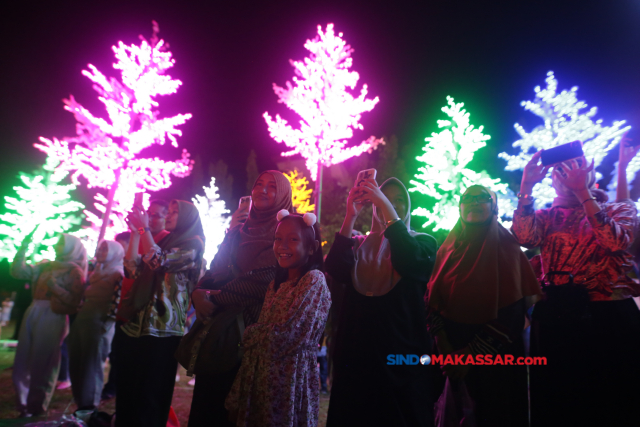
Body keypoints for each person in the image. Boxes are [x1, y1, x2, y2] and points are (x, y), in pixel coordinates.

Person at [512, 151, 640, 427]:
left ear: (591, 172)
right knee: (560, 398)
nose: (567, 176)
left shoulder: (621, 209)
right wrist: (526, 187)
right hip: (558, 314)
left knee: (612, 398)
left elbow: (615, 241)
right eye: (560, 172)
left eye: (576, 169)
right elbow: (524, 237)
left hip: (608, 316)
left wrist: (583, 192)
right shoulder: (547, 216)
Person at [325, 177, 438, 427]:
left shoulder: (423, 242)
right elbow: (334, 268)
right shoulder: (360, 246)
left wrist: (386, 208)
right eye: (386, 199)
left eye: (399, 200)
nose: (392, 204)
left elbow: (409, 260)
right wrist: (350, 216)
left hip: (400, 357)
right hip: (358, 355)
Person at [426, 185, 541, 427]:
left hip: (495, 363)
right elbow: (432, 302)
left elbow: (512, 313)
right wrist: (444, 346)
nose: (475, 202)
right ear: (460, 207)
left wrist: (469, 356)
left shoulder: (507, 248)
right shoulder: (448, 248)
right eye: (468, 198)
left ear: (494, 207)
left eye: (483, 198)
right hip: (450, 359)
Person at [188, 171, 293, 427]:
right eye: (259, 184)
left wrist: (215, 296)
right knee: (209, 405)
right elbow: (215, 271)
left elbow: (266, 280)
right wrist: (198, 292)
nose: (263, 191)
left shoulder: (291, 232)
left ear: (284, 196)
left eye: (272, 187)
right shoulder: (238, 232)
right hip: (221, 332)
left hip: (257, 336)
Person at [225, 210, 331, 426]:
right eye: (278, 239)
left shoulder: (313, 280)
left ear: (311, 247)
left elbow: (286, 337)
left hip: (290, 381)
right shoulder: (276, 285)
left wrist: (251, 332)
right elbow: (269, 335)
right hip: (261, 378)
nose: (282, 246)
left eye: (293, 240)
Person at [115, 200, 204, 427]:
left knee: (151, 393)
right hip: (137, 322)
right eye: (170, 212)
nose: (170, 216)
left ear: (187, 217)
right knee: (128, 387)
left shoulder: (193, 244)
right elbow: (132, 270)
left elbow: (159, 261)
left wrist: (144, 229)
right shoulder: (162, 240)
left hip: (163, 327)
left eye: (175, 213)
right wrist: (136, 234)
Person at [11, 233, 87, 417]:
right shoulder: (46, 265)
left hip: (54, 315)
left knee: (43, 361)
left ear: (71, 248)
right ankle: (23, 404)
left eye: (62, 244)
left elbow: (75, 302)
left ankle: (36, 405)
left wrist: (55, 288)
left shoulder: (74, 271)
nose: (56, 246)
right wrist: (24, 246)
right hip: (33, 310)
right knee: (23, 359)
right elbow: (17, 272)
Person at [69, 240, 124, 410]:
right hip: (83, 319)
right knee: (78, 362)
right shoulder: (97, 271)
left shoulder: (117, 273)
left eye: (105, 249)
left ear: (115, 253)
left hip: (99, 322)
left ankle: (89, 405)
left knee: (91, 365)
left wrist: (107, 322)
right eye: (99, 248)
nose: (99, 252)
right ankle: (79, 401)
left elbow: (117, 302)